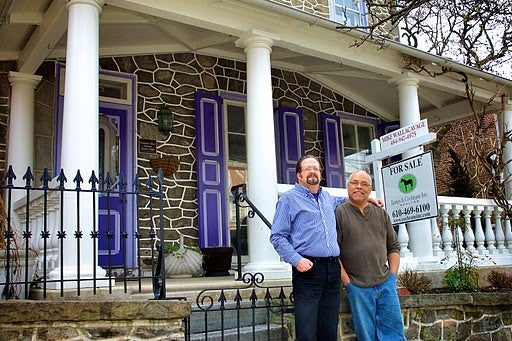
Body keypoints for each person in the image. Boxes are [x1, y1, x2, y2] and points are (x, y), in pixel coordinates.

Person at [270, 155, 382, 341]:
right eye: (307, 169)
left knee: (328, 331)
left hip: (332, 271)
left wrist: (367, 199)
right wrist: (297, 261)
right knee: (306, 333)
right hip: (308, 271)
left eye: (316, 168)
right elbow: (277, 236)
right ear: (299, 175)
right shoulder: (288, 200)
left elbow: (344, 203)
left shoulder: (326, 198)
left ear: (321, 173)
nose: (313, 171)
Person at [335, 170, 406, 341]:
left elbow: (393, 246)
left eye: (364, 184)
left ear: (370, 189)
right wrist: (349, 284)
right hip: (358, 286)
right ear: (348, 186)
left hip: (385, 283)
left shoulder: (381, 213)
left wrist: (392, 277)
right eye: (354, 182)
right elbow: (333, 254)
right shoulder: (339, 213)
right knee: (366, 335)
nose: (359, 186)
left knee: (394, 333)